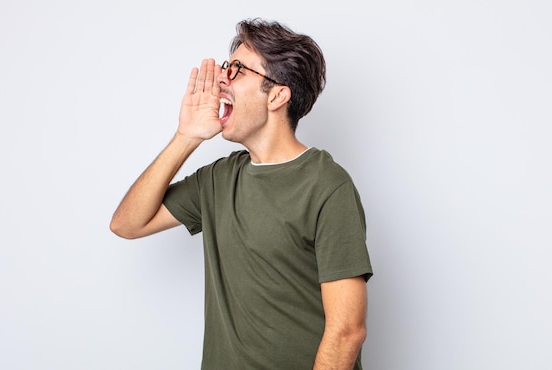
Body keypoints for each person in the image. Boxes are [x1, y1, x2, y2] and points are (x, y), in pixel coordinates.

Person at [110, 18, 373, 370]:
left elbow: (347, 332)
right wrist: (186, 137)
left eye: (238, 70)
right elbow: (127, 224)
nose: (222, 78)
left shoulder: (326, 185)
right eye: (226, 66)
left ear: (278, 95)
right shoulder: (218, 179)